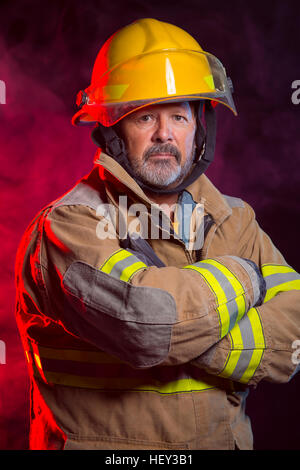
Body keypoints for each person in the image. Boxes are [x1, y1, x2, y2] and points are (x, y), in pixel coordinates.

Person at [15, 18, 300, 450]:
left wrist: (190, 335)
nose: (165, 133)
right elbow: (151, 323)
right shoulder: (68, 226)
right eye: (145, 116)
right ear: (111, 128)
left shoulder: (235, 220)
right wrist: (247, 276)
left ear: (199, 128)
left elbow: (294, 338)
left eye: (179, 117)